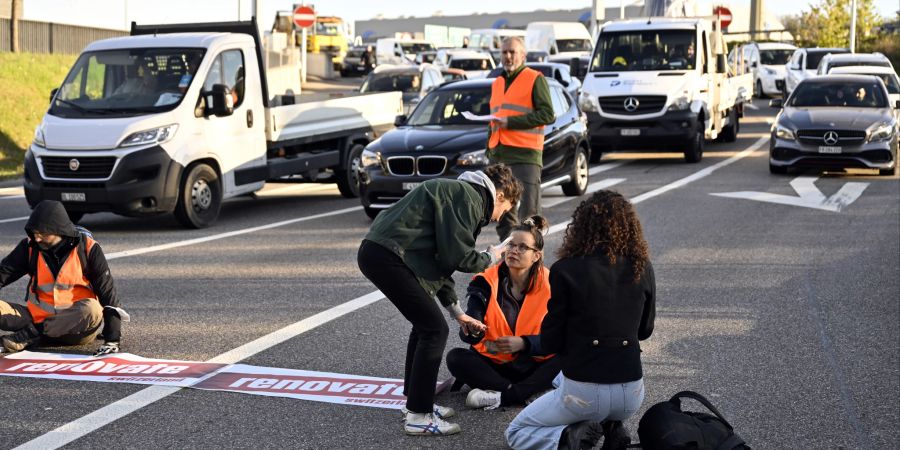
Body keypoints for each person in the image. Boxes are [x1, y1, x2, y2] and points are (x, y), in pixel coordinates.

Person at [357, 164, 522, 436]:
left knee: (425, 326)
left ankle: (415, 402)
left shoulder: (461, 193)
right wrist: (492, 256)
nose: (498, 218)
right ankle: (418, 416)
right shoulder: (468, 198)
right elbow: (456, 258)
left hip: (381, 253)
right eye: (504, 210)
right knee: (434, 330)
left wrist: (457, 312)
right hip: (388, 256)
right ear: (501, 195)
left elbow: (438, 264)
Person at [506, 191, 656, 450]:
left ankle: (566, 438)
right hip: (630, 393)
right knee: (566, 382)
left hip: (584, 392)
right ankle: (612, 426)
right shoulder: (642, 266)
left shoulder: (566, 269)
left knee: (517, 431)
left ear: (581, 227)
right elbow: (645, 330)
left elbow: (551, 342)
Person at [446, 215, 562, 410]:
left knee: (570, 355)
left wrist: (525, 344)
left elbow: (562, 337)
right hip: (495, 363)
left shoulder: (553, 284)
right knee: (455, 358)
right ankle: (522, 394)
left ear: (537, 255)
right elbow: (472, 319)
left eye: (522, 247)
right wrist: (472, 330)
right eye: (511, 245)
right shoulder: (485, 281)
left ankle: (504, 395)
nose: (514, 250)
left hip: (535, 362)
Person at [0, 201, 125, 356]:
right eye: (34, 233)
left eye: (43, 234)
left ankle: (27, 336)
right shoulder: (30, 247)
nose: (37, 239)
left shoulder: (88, 248)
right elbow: (3, 273)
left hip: (76, 328)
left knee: (92, 308)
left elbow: (108, 293)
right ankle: (36, 335)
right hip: (35, 319)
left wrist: (112, 338)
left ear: (59, 230)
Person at [488, 36, 555, 241]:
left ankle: (531, 262)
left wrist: (511, 122)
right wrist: (489, 150)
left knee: (529, 215)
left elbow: (547, 114)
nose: (508, 56)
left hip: (526, 156)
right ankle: (510, 258)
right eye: (504, 52)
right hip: (499, 156)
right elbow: (494, 120)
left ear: (523, 55)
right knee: (503, 215)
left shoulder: (535, 78)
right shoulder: (497, 82)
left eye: (512, 52)